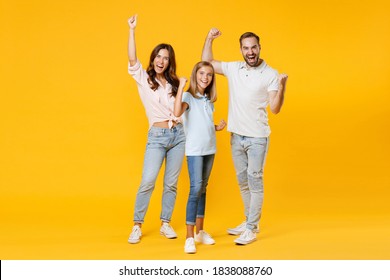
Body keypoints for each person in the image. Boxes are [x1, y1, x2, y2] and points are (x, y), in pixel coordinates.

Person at [202, 28, 288, 245]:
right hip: (236, 137)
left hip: (257, 138)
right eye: (246, 48)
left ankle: (251, 228)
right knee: (243, 182)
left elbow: (275, 108)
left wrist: (283, 86)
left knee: (255, 181)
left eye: (253, 47)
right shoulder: (234, 68)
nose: (250, 52)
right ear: (241, 49)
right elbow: (207, 63)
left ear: (260, 48)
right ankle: (250, 221)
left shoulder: (270, 74)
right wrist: (209, 39)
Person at [127, 14, 186, 244]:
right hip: (157, 136)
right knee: (148, 180)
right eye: (159, 56)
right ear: (153, 59)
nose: (162, 61)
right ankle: (137, 225)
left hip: (178, 135)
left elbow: (179, 110)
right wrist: (132, 30)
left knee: (171, 183)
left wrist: (181, 87)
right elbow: (132, 59)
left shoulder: (172, 83)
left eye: (166, 58)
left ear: (170, 62)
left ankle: (165, 223)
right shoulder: (144, 78)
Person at [173, 61, 226, 253]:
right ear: (195, 75)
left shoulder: (207, 100)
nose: (205, 77)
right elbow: (177, 112)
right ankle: (189, 237)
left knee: (203, 188)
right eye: (202, 73)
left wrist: (216, 128)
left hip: (210, 149)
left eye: (209, 74)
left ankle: (200, 232)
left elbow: (201, 124)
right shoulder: (188, 96)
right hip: (195, 150)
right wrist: (180, 86)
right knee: (195, 188)